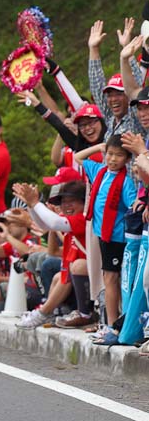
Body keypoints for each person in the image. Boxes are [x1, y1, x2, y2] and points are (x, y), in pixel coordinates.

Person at [74, 135, 137, 327]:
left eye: (119, 155)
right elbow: (78, 158)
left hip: (116, 237)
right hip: (102, 234)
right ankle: (112, 321)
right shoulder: (100, 171)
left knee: (111, 278)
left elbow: (133, 204)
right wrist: (99, 147)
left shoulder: (125, 181)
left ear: (127, 159)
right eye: (110, 154)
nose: (112, 159)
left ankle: (111, 324)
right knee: (108, 278)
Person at [14, 180, 91, 329]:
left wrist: (35, 202)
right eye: (63, 202)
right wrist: (31, 206)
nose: (66, 206)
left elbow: (54, 223)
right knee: (60, 274)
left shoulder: (85, 218)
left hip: (95, 281)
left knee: (71, 268)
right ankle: (50, 311)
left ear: (84, 202)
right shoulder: (72, 224)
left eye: (72, 201)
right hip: (83, 281)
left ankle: (46, 313)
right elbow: (48, 227)